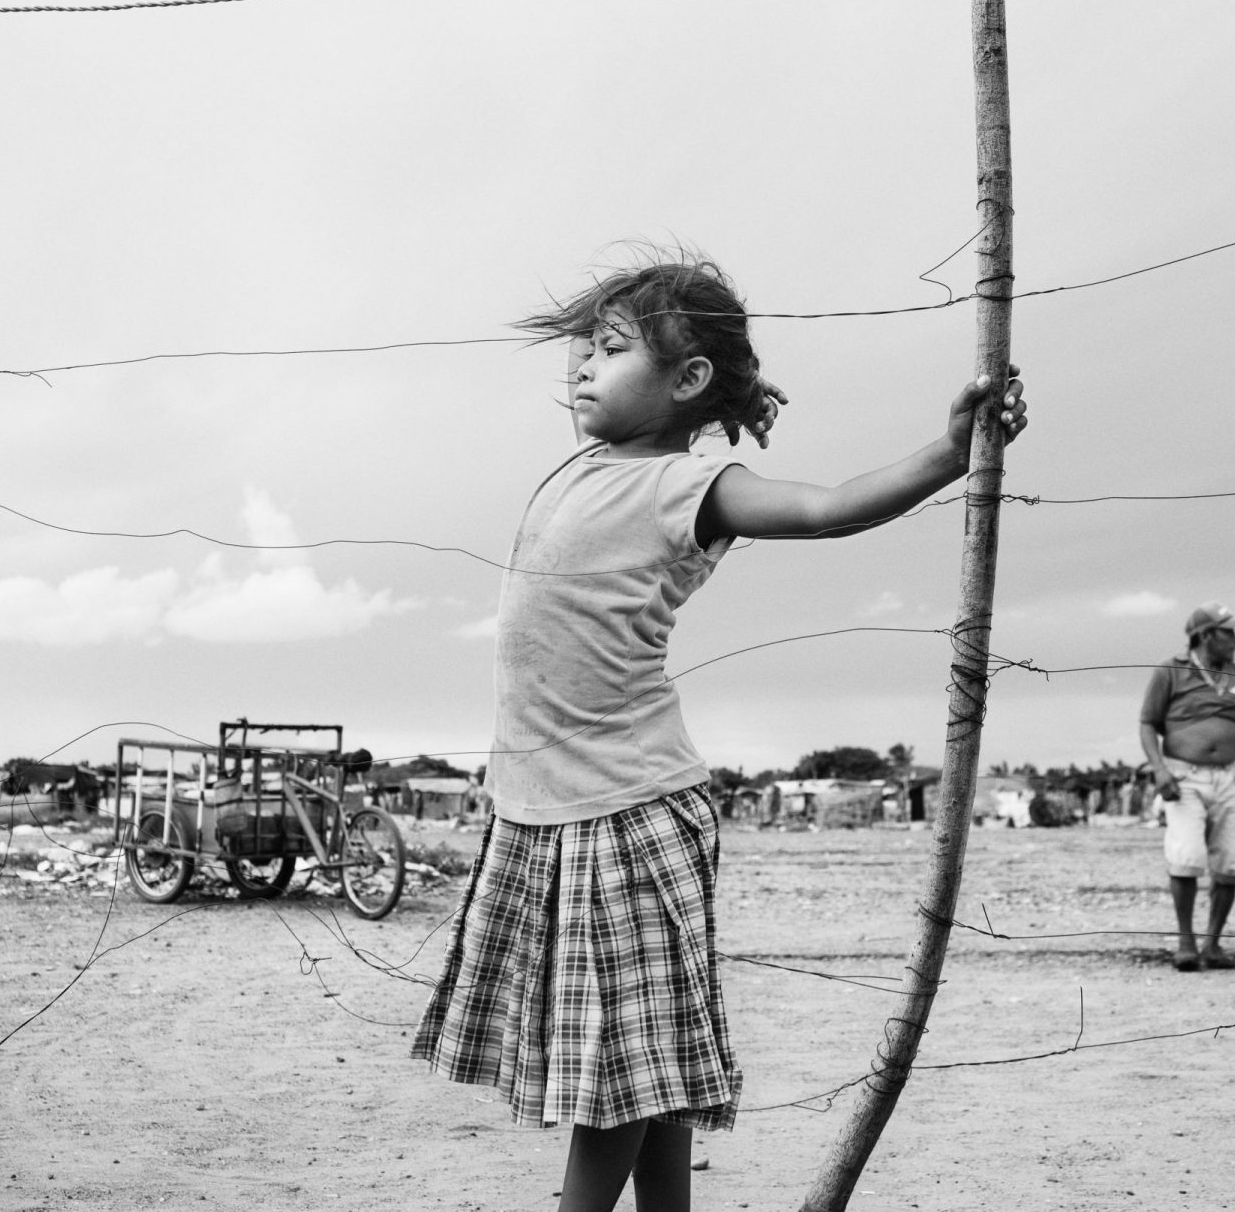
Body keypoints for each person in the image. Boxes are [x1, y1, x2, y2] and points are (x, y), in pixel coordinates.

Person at [412, 256, 1027, 1212]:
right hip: (551, 809)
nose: (582, 367)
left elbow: (825, 510)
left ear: (685, 378)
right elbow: (636, 390)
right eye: (584, 348)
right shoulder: (590, 461)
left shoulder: (688, 486)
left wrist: (950, 454)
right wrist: (710, 384)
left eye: (611, 350)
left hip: (625, 813)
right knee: (644, 1061)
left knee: (618, 1071)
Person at [1138, 602, 1235, 972]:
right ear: (1204, 635)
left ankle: (1212, 944)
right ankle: (1186, 943)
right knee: (1186, 856)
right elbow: (1148, 723)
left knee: (1230, 862)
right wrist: (1159, 770)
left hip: (1232, 776)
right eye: (1228, 632)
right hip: (1185, 777)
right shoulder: (1170, 670)